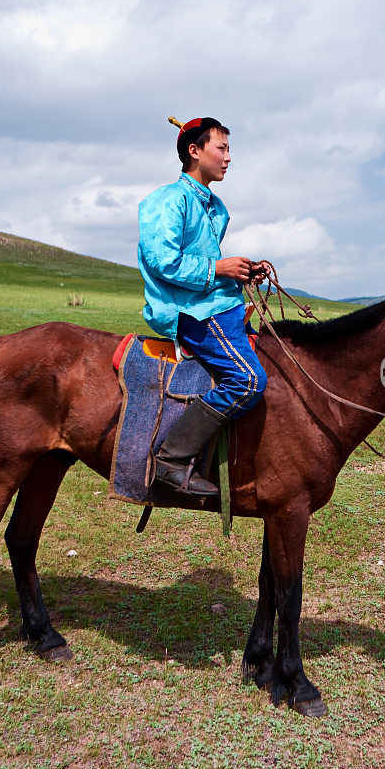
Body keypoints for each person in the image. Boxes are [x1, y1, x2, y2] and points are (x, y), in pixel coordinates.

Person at [137, 117, 268, 498]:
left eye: (229, 150)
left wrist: (238, 273)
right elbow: (163, 261)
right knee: (248, 380)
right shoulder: (167, 200)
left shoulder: (215, 207)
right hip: (191, 313)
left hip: (220, 305)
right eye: (221, 149)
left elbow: (207, 266)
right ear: (194, 151)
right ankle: (171, 459)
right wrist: (218, 268)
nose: (229, 158)